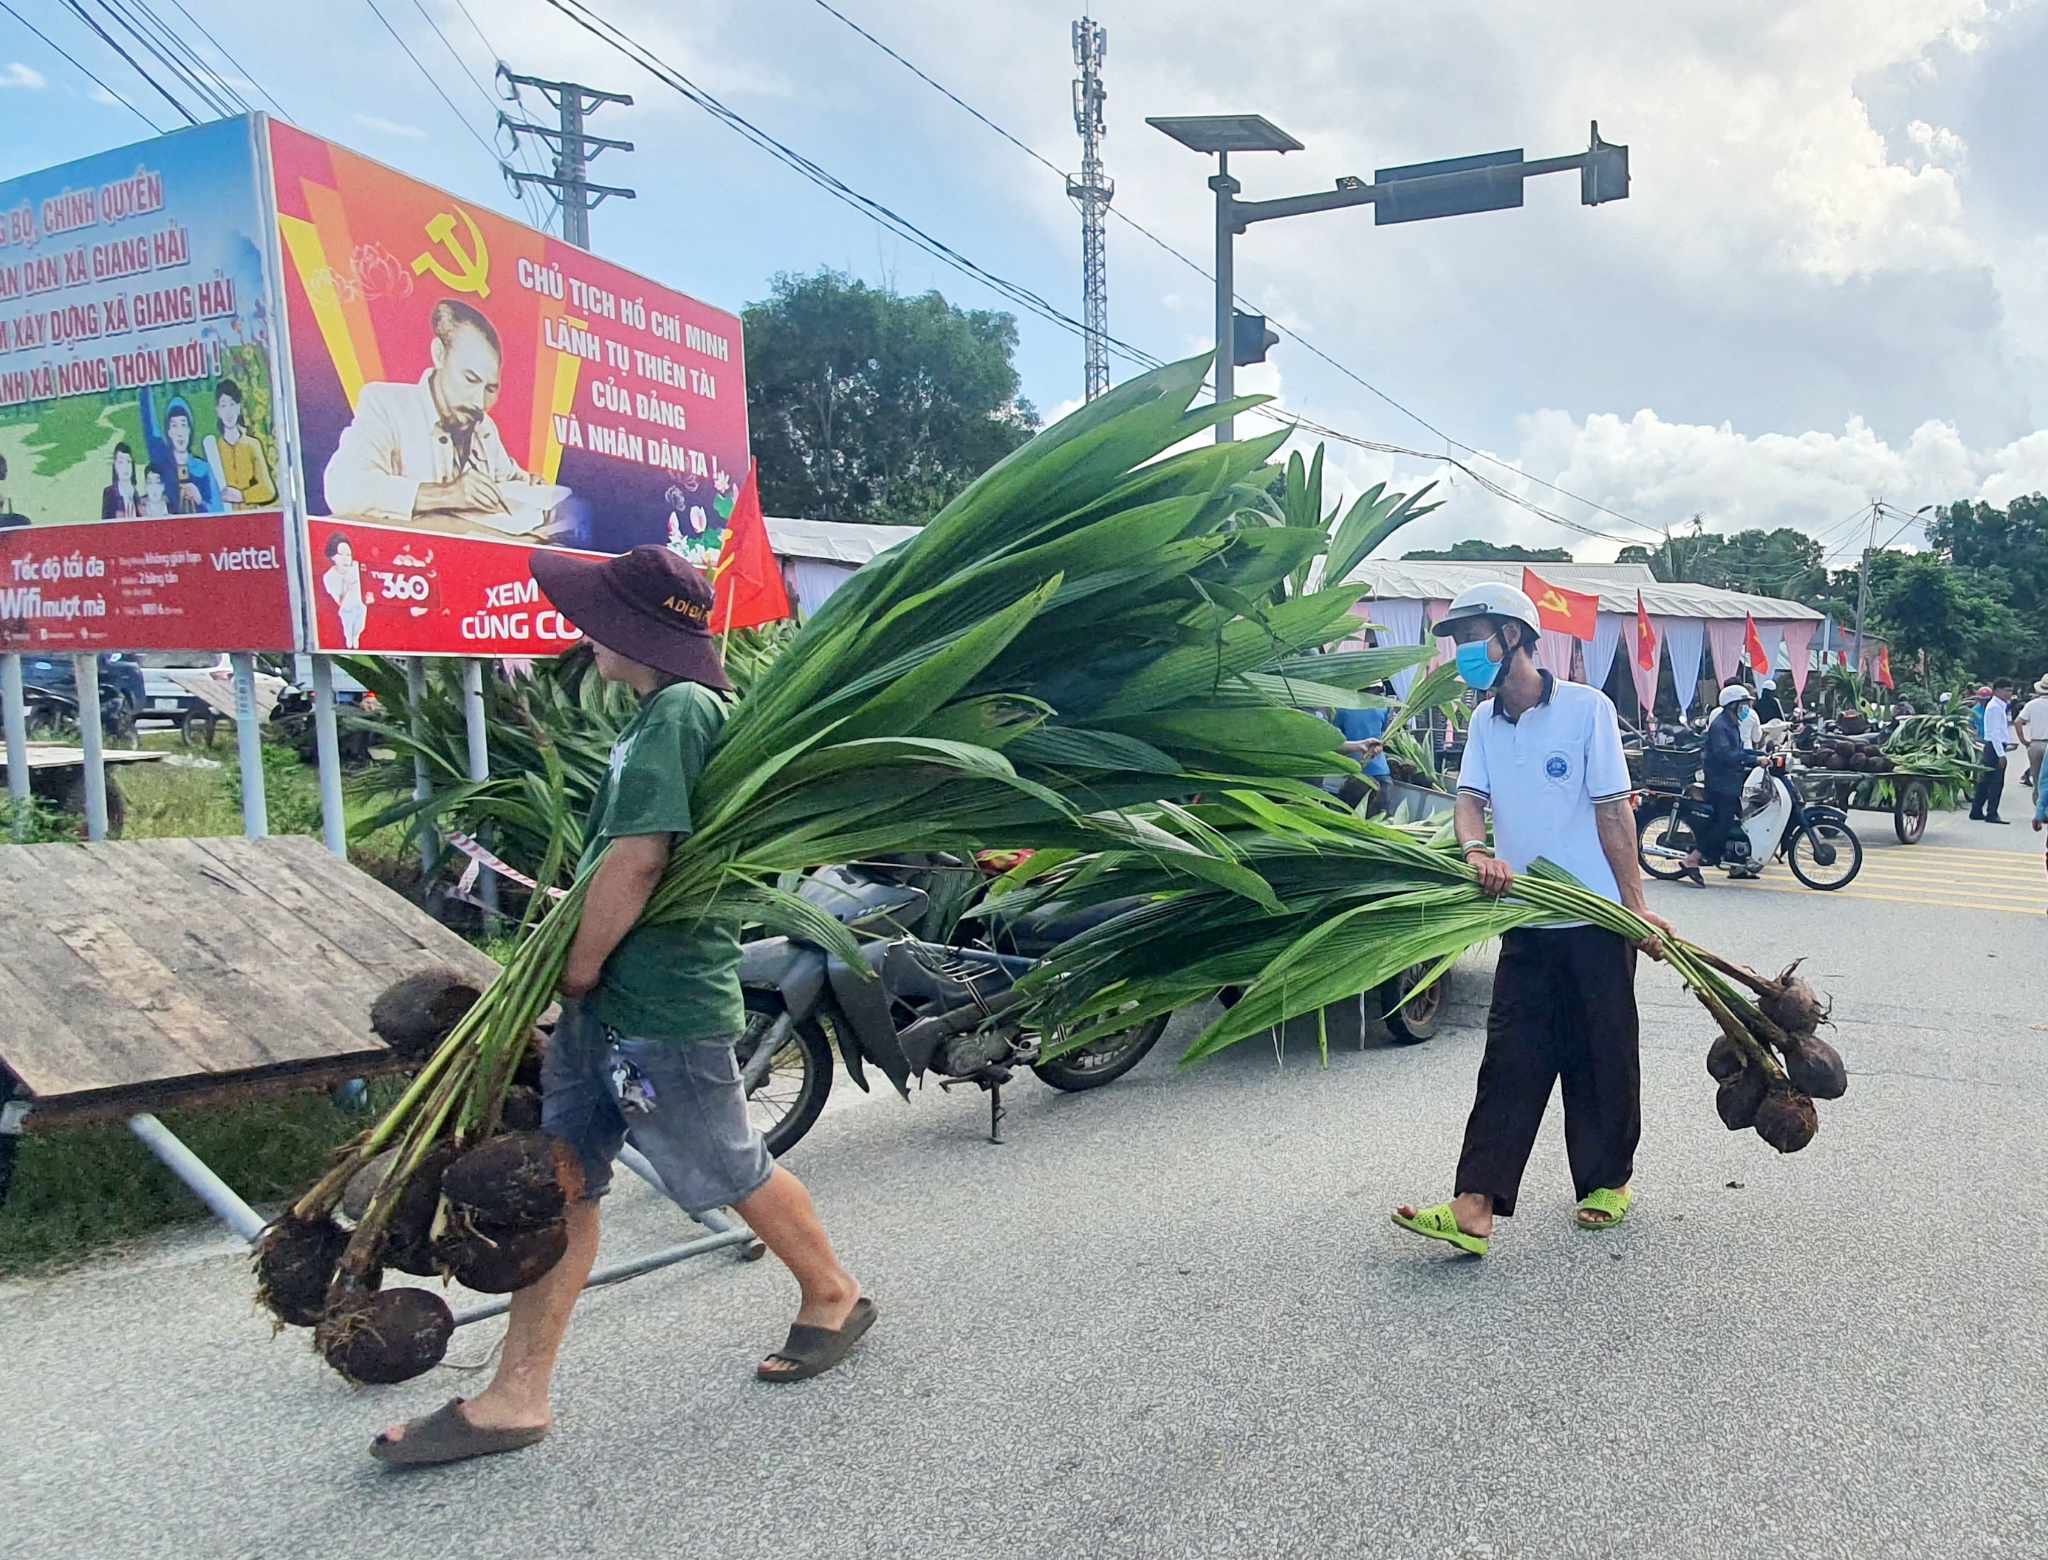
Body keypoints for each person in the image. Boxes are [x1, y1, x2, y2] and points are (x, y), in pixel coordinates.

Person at [371, 546, 870, 1468]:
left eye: (596, 614)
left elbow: (640, 855)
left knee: (727, 1167)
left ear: (636, 627)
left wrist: (580, 966)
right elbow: (617, 856)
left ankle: (833, 1291)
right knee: (566, 1183)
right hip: (613, 1000)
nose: (579, 628)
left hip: (659, 1000)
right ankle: (517, 1395)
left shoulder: (681, 710)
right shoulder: (656, 713)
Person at [1392, 583, 1674, 1257]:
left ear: (1514, 636)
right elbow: (1468, 800)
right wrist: (1476, 848)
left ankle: (1608, 1181)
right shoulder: (1486, 724)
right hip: (1526, 917)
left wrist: (1635, 908)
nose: (1464, 654)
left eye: (1474, 636)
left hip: (1595, 919)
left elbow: (1613, 810)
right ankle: (1475, 1205)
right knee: (1510, 1060)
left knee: (1600, 1054)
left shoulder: (1586, 710)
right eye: (1458, 641)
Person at [323, 298, 533, 524]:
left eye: (490, 389)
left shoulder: (484, 426)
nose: (479, 402)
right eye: (470, 379)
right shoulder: (385, 404)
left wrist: (530, 484)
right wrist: (446, 494)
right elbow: (343, 488)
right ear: (440, 354)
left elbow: (509, 477)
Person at [1685, 685, 1761, 882]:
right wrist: (1754, 760)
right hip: (1720, 783)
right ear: (1732, 706)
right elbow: (1726, 755)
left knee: (1741, 818)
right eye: (1743, 705)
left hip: (1730, 781)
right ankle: (1693, 859)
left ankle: (1736, 865)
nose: (1747, 709)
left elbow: (1741, 750)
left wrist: (1761, 755)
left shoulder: (1732, 723)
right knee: (1724, 822)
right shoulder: (1721, 726)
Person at [204, 378, 275, 508]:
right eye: (223, 405)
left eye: (232, 404)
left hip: (251, 516)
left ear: (238, 408)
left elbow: (268, 490)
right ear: (218, 411)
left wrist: (243, 495)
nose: (228, 412)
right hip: (223, 517)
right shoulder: (214, 449)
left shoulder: (252, 444)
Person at [1331, 697, 1393, 814]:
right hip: (1380, 770)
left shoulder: (1344, 708)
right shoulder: (1383, 707)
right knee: (1381, 818)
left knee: (1349, 817)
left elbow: (1335, 738)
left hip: (1354, 771)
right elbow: (1384, 733)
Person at [1971, 680, 2015, 825]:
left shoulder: (1999, 706)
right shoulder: (1995, 707)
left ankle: (1976, 811)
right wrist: (2001, 754)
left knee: (1985, 781)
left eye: (2010, 690)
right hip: (1994, 747)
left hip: (1993, 746)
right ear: (1996, 691)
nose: (2009, 693)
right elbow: (1995, 733)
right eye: (2006, 690)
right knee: (1996, 782)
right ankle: (1992, 813)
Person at [322, 534, 370, 650]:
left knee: (359, 624)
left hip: (361, 606)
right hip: (346, 610)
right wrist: (348, 584)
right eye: (341, 554)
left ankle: (355, 637)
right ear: (332, 556)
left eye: (348, 555)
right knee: (348, 623)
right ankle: (349, 638)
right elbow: (339, 601)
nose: (346, 558)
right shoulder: (329, 577)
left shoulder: (357, 567)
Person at [2015, 675, 2048, 794]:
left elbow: (2018, 721)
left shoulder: (2032, 704)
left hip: (2036, 744)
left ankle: (2039, 807)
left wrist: (2024, 740)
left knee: (2037, 779)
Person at [100, 443, 138, 519]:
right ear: (115, 466)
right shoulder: (109, 493)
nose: (125, 467)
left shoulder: (136, 494)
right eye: (121, 462)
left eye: (128, 462)